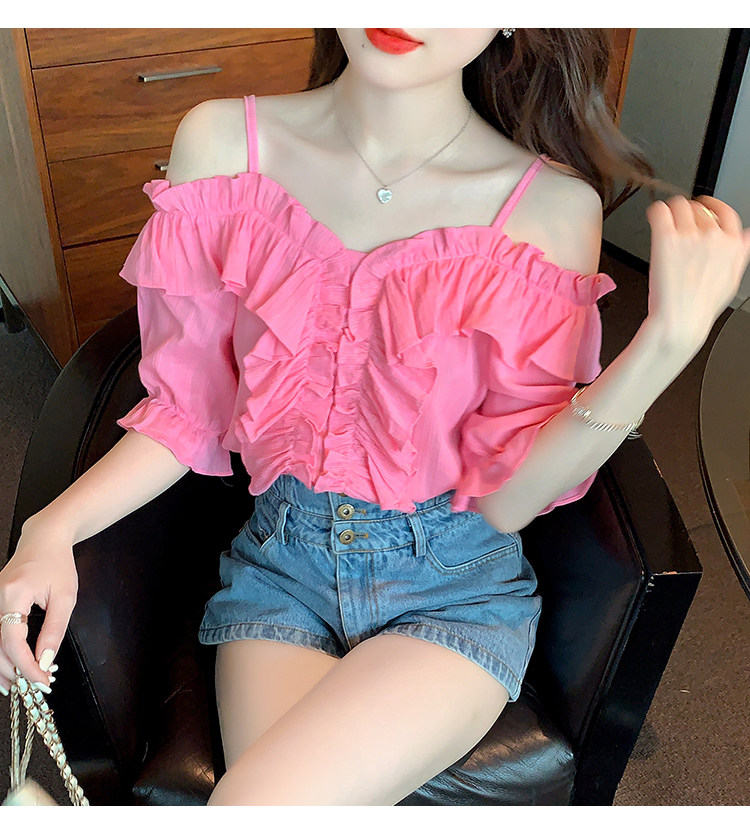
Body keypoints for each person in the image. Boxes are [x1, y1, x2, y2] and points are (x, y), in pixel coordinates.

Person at [1, 28, 748, 807]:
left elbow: (508, 500)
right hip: (282, 570)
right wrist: (51, 528)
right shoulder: (224, 145)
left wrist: (663, 348)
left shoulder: (550, 210)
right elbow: (189, 411)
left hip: (451, 587)